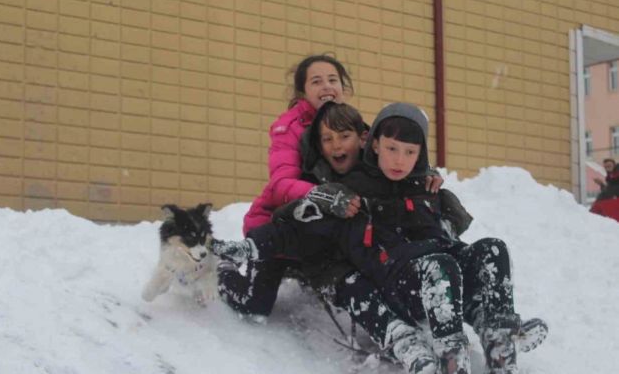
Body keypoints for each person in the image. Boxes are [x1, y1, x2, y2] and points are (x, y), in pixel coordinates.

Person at [215, 102, 547, 374]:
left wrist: (440, 197)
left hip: (442, 273)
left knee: (493, 249)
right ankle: (452, 358)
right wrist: (250, 246)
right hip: (399, 282)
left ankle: (500, 346)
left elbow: (453, 229)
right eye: (391, 149)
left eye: (409, 152)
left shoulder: (424, 188)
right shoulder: (354, 193)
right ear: (373, 144)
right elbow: (296, 227)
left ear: (420, 155)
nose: (399, 160)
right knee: (440, 265)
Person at [218, 57, 442, 374]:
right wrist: (321, 194)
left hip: (330, 222)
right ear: (301, 91)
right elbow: (280, 184)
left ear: (343, 86)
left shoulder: (353, 124)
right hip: (280, 222)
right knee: (255, 305)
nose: (327, 86)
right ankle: (225, 271)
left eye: (333, 79)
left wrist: (423, 174)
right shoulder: (289, 128)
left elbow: (391, 153)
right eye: (317, 81)